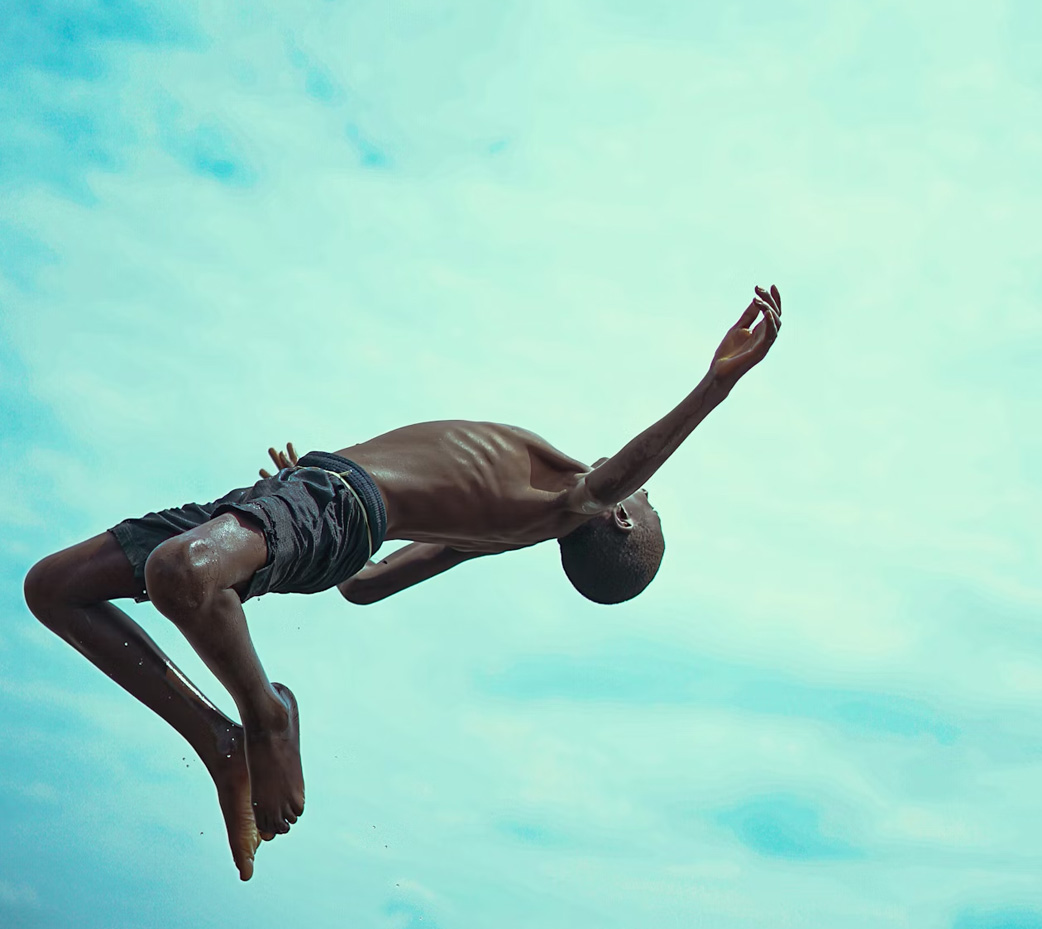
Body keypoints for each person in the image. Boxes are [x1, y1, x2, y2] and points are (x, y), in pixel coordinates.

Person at [22, 286, 781, 882]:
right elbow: (365, 587)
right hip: (315, 505)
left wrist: (713, 388)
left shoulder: (570, 498)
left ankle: (265, 717)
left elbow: (624, 470)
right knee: (54, 588)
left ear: (618, 521)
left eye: (644, 501)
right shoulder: (499, 524)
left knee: (179, 571)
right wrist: (291, 511)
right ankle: (215, 737)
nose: (641, 492)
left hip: (339, 506)